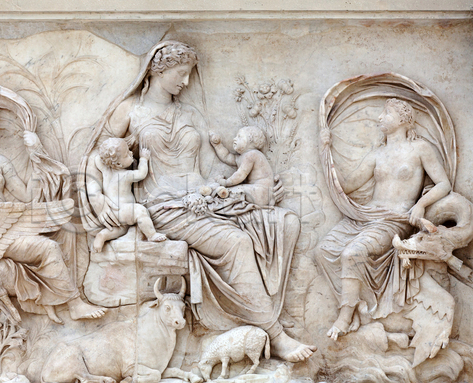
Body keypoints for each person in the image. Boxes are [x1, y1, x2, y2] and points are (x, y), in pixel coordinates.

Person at [79, 41, 316, 362]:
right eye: (181, 73)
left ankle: (261, 313)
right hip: (163, 207)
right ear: (158, 70)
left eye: (189, 74)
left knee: (282, 221)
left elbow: (212, 167)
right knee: (236, 242)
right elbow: (96, 157)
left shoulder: (190, 113)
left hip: (200, 198)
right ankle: (274, 335)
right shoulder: (129, 111)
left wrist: (255, 183)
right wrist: (97, 198)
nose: (186, 81)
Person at [0, 106, 106, 323]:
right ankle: (66, 302)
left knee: (49, 247)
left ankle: (74, 304)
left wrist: (35, 158)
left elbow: (26, 196)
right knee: (46, 247)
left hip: (4, 230)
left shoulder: (0, 161)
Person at [315, 98, 451, 340]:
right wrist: (325, 150)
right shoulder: (377, 154)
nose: (380, 117)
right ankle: (356, 302)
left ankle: (344, 317)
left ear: (403, 119)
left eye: (386, 113)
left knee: (352, 253)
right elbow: (346, 186)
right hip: (366, 217)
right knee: (323, 251)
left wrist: (420, 205)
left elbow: (443, 184)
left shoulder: (419, 149)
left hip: (394, 220)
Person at [93, 138, 166, 252]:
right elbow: (141, 174)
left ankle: (102, 236)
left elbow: (98, 158)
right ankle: (151, 235)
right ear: (118, 163)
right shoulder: (126, 175)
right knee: (140, 211)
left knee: (121, 229)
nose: (131, 153)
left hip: (112, 211)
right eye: (127, 154)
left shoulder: (105, 171)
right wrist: (143, 159)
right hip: (122, 209)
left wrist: (107, 152)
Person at [209, 126, 280, 206]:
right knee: (234, 191)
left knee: (236, 191)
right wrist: (218, 145)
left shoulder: (251, 154)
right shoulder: (243, 157)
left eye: (239, 136)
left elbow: (240, 175)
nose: (234, 139)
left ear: (250, 140)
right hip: (257, 191)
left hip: (262, 192)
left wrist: (226, 182)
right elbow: (227, 157)